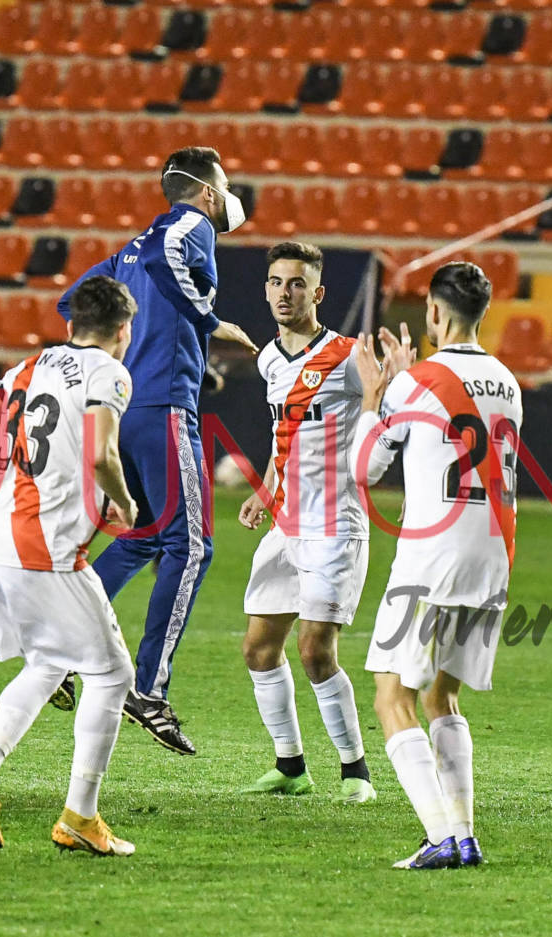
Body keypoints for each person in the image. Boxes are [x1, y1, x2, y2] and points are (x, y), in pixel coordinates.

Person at [53, 146, 257, 755]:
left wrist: (134, 350)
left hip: (131, 401)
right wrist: (208, 320)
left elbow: (75, 303)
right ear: (211, 192)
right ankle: (148, 688)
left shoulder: (130, 246)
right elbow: (177, 264)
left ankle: (63, 649)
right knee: (192, 545)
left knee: (141, 535)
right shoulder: (189, 226)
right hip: (166, 407)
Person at [0, 276, 143, 856]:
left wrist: (32, 459)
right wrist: (124, 504)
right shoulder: (109, 372)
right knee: (112, 675)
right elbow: (100, 451)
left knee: (49, 663)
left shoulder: (33, 364)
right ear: (123, 331)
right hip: (43, 546)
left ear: (69, 325)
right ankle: (81, 816)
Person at [352, 261, 520, 870]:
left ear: (435, 314)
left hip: (433, 556)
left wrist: (377, 397)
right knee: (442, 697)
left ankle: (440, 835)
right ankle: (464, 832)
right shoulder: (508, 381)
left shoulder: (414, 382)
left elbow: (364, 470)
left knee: (391, 696)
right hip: (494, 553)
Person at [235, 242, 376, 804]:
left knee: (316, 650)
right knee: (258, 649)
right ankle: (291, 766)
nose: (283, 293)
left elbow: (385, 417)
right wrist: (266, 491)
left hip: (335, 525)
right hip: (287, 525)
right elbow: (282, 437)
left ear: (317, 293)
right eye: (275, 282)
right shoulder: (269, 358)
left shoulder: (347, 356)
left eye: (296, 284)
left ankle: (355, 773)